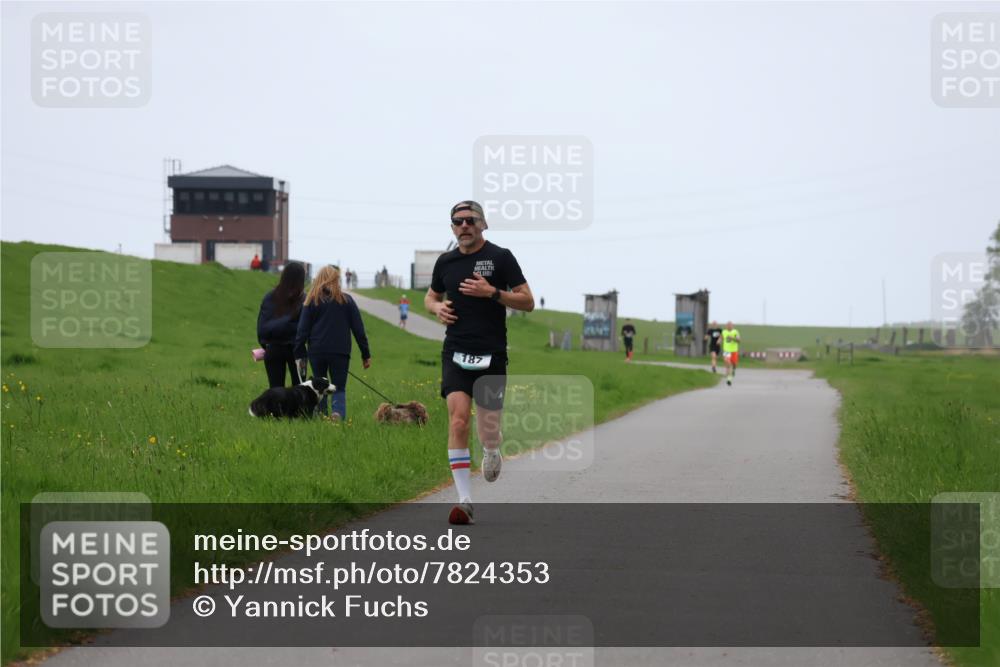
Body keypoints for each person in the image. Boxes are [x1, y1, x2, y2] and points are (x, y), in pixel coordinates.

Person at [425, 200, 534, 525]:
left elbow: (528, 301)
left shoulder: (500, 257)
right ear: (452, 227)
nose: (464, 226)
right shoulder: (446, 261)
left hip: (491, 353)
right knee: (458, 421)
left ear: (483, 224)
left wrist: (493, 293)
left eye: (470, 220)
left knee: (488, 430)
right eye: (457, 221)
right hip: (455, 351)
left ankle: (491, 449)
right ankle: (464, 500)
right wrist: (436, 309)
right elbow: (430, 296)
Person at [294, 265, 372, 419]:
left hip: (316, 351)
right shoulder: (347, 300)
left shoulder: (311, 301)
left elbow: (302, 331)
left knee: (319, 386)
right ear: (337, 280)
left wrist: (299, 353)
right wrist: (365, 354)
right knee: (339, 387)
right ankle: (337, 414)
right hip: (340, 351)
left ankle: (322, 416)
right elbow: (359, 330)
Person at [256, 262, 305, 388]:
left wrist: (265, 345)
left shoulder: (269, 297)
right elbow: (306, 326)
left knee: (275, 389)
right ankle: (298, 409)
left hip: (273, 348)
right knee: (300, 388)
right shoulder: (303, 299)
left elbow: (261, 327)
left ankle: (275, 409)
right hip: (297, 349)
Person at [720, 321, 741, 386]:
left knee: (734, 364)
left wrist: (733, 338)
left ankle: (734, 369)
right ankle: (729, 379)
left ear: (732, 326)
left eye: (730, 325)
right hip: (726, 351)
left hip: (734, 351)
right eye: (728, 325)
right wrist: (719, 341)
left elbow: (739, 340)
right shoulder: (724, 332)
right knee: (728, 363)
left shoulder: (735, 332)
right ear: (726, 326)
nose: (729, 326)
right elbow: (721, 338)